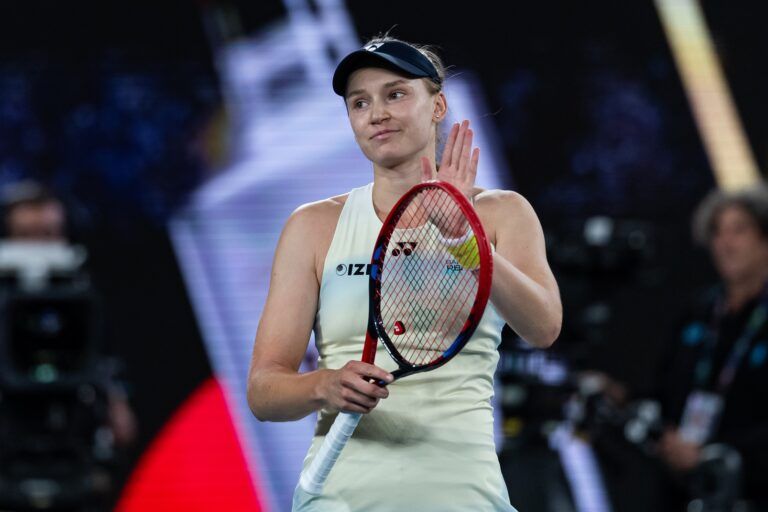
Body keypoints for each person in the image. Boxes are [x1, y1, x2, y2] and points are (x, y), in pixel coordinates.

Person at [247, 36, 562, 511]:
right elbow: (264, 391)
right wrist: (323, 384)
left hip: (465, 499)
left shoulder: (501, 213)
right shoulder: (312, 226)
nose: (376, 113)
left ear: (438, 106)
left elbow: (543, 327)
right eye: (360, 102)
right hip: (338, 501)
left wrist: (464, 239)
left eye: (395, 93)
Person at [655, 183, 768, 510]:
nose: (725, 243)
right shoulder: (699, 311)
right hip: (683, 491)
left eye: (738, 231)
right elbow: (663, 388)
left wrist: (715, 452)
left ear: (764, 239)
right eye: (717, 233)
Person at [0, 180, 137, 447]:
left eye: (49, 233)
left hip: (71, 424)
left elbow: (105, 357)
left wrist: (117, 404)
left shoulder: (82, 294)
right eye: (27, 234)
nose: (38, 245)